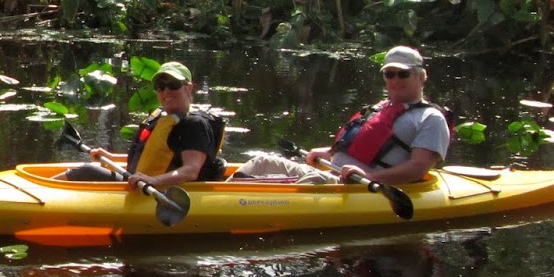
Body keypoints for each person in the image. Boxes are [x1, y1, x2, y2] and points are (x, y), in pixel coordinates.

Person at [238, 46, 451, 184]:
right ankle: (219, 196)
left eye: (403, 74)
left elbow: (417, 169)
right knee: (261, 162)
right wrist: (328, 154)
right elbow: (362, 147)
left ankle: (235, 207)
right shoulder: (378, 108)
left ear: (422, 77)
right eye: (389, 74)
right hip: (332, 175)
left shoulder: (430, 119)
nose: (395, 80)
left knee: (309, 180)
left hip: (355, 186)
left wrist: (370, 176)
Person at [59, 62, 227, 188]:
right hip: (139, 183)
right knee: (92, 169)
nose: (166, 91)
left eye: (173, 85)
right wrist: (114, 159)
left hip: (162, 190)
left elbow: (191, 170)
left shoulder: (194, 124)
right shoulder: (161, 118)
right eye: (160, 87)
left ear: (189, 88)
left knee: (89, 171)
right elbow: (151, 159)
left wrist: (154, 180)